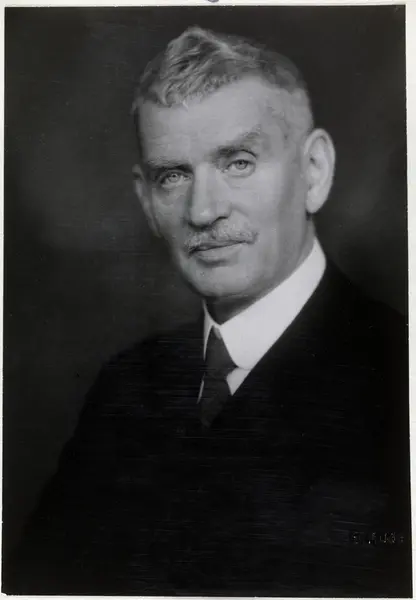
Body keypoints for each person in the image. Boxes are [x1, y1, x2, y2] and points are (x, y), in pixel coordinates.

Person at [4, 26, 411, 596]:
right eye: (173, 176)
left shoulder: (401, 377)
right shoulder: (125, 388)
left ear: (314, 171)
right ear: (147, 201)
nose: (203, 210)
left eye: (238, 162)